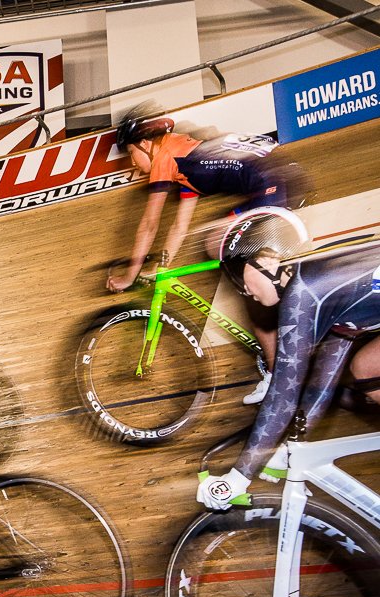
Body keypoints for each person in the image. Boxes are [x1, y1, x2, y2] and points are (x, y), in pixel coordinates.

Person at [107, 102, 307, 404]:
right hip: (276, 180)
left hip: (273, 185)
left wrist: (130, 275)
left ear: (145, 144)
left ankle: (278, 370)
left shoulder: (165, 157)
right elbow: (179, 226)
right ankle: (282, 303)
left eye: (131, 154)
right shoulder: (182, 160)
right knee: (217, 244)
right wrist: (161, 266)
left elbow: (149, 225)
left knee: (238, 266)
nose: (132, 163)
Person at [196, 212, 380, 510]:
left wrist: (238, 477)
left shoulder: (305, 293)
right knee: (366, 366)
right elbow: (322, 383)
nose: (243, 290)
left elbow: (284, 392)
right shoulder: (319, 279)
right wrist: (290, 446)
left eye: (238, 275)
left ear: (268, 260)